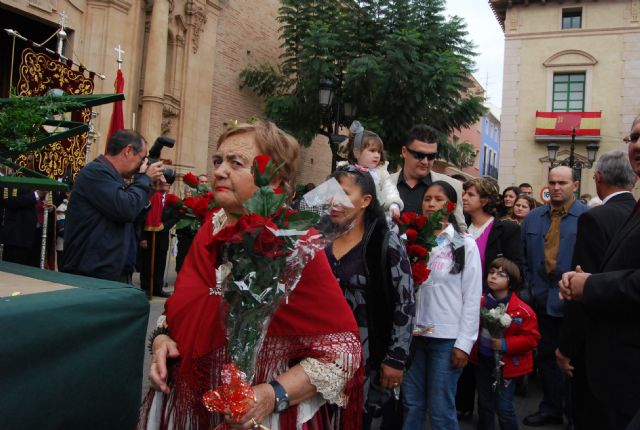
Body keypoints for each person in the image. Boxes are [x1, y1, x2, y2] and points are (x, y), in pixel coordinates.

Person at [141, 121, 363, 430]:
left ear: (278, 179)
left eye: (236, 163)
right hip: (189, 405)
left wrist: (273, 395)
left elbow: (343, 354)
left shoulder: (295, 242)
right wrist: (162, 340)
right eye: (218, 160)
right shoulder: (209, 228)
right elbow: (181, 307)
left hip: (262, 416)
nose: (219, 171)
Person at [560, 122, 640, 429]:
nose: (638, 145)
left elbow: (593, 291)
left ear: (594, 178)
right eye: (634, 137)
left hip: (618, 371)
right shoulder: (631, 208)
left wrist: (589, 284)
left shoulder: (594, 218)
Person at [326, 165, 414, 429]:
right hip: (321, 358)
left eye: (344, 193)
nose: (334, 201)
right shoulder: (319, 240)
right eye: (331, 192)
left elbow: (405, 302)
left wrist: (396, 359)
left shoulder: (385, 242)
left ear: (365, 201)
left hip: (370, 360)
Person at [402, 180, 482, 430]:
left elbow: (472, 296)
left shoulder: (463, 244)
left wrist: (464, 344)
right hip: (413, 335)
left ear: (451, 206)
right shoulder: (410, 239)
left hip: (446, 338)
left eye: (438, 199)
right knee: (412, 405)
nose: (431, 204)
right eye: (427, 199)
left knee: (441, 410)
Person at [520, 166, 589, 427]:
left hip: (572, 303)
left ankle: (574, 414)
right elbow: (523, 258)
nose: (556, 187)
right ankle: (550, 407)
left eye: (562, 182)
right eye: (552, 182)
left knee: (572, 361)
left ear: (575, 185)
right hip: (541, 300)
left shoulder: (587, 217)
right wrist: (529, 290)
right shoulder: (534, 218)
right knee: (547, 357)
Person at [458, 177, 524, 417]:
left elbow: (516, 267)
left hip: (490, 305)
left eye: (471, 194)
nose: (464, 197)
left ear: (485, 200)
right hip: (459, 301)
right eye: (465, 193)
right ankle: (463, 405)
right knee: (462, 351)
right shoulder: (459, 226)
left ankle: (490, 409)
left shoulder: (505, 229)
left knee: (486, 357)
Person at [61, 129, 164, 282]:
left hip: (110, 270)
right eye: (142, 159)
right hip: (90, 274)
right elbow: (126, 209)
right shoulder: (95, 173)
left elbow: (128, 216)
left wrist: (149, 192)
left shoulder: (113, 177)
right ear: (128, 150)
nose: (141, 165)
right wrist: (145, 179)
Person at [471, 257, 540, 430]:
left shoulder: (522, 311)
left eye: (501, 274)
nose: (493, 277)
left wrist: (505, 344)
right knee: (484, 403)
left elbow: (532, 338)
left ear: (512, 282)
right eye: (491, 272)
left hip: (508, 365)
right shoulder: (480, 302)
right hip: (484, 361)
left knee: (504, 407)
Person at [389, 124, 465, 231]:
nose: (425, 162)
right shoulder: (384, 183)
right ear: (404, 152)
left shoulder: (453, 186)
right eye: (419, 155)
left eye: (431, 156)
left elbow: (460, 230)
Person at [348, 123, 403, 219]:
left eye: (379, 152)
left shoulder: (381, 174)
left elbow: (390, 189)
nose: (377, 155)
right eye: (372, 150)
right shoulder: (346, 172)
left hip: (374, 218)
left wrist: (393, 205)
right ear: (356, 152)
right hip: (351, 217)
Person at [139, 177, 174, 297]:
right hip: (148, 236)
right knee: (147, 263)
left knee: (160, 263)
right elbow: (144, 218)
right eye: (163, 183)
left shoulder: (172, 200)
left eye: (167, 184)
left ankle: (157, 288)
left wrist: (165, 225)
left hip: (162, 236)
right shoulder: (152, 197)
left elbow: (175, 217)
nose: (165, 185)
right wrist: (142, 237)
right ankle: (146, 287)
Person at [0, 189, 53, 267]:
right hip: (18, 236)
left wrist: (49, 207)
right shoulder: (14, 177)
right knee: (14, 271)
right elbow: (10, 201)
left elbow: (51, 201)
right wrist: (36, 195)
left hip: (39, 234)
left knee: (34, 272)